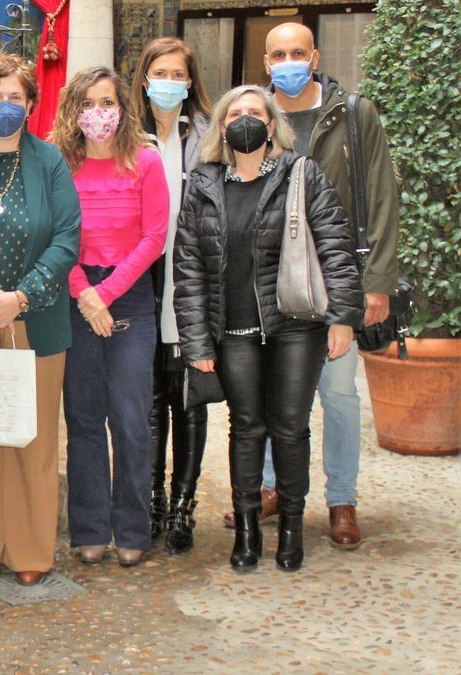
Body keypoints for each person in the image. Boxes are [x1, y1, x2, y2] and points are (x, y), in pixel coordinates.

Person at [218, 23, 401, 549]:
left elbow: (383, 196)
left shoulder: (352, 112)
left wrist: (377, 281)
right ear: (266, 62)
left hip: (338, 275)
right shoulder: (255, 118)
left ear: (315, 55)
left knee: (338, 393)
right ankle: (273, 487)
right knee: (278, 389)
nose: (289, 61)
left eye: (299, 52)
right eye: (278, 54)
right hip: (273, 280)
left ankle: (341, 497)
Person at [174, 85, 364, 572]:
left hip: (295, 328)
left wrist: (342, 317)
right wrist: (196, 340)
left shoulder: (302, 174)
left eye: (255, 113)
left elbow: (336, 250)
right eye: (235, 113)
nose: (245, 121)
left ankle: (292, 533)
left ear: (273, 123)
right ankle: (247, 533)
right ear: (221, 127)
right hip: (233, 332)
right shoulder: (203, 184)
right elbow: (189, 268)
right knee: (245, 429)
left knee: (290, 429)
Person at [0, 53, 80, 586]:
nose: (5, 106)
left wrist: (20, 297)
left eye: (16, 97)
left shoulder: (49, 161)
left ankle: (30, 550)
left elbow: (67, 238)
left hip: (37, 318)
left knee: (33, 437)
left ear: (30, 104)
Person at [48, 66, 167, 567]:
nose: (99, 113)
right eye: (89, 104)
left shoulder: (146, 161)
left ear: (123, 108)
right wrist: (85, 294)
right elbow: (56, 235)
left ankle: (134, 528)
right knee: (83, 418)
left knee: (131, 419)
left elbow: (154, 237)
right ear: (74, 110)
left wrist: (108, 294)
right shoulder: (59, 164)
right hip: (76, 297)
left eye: (108, 103)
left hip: (130, 295)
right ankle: (91, 527)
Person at [127, 37, 214, 554]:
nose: (167, 81)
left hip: (193, 280)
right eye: (158, 72)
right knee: (149, 397)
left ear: (189, 81)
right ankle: (152, 501)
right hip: (142, 278)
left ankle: (184, 506)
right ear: (144, 78)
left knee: (191, 397)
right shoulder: (125, 135)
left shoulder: (209, 135)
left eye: (177, 73)